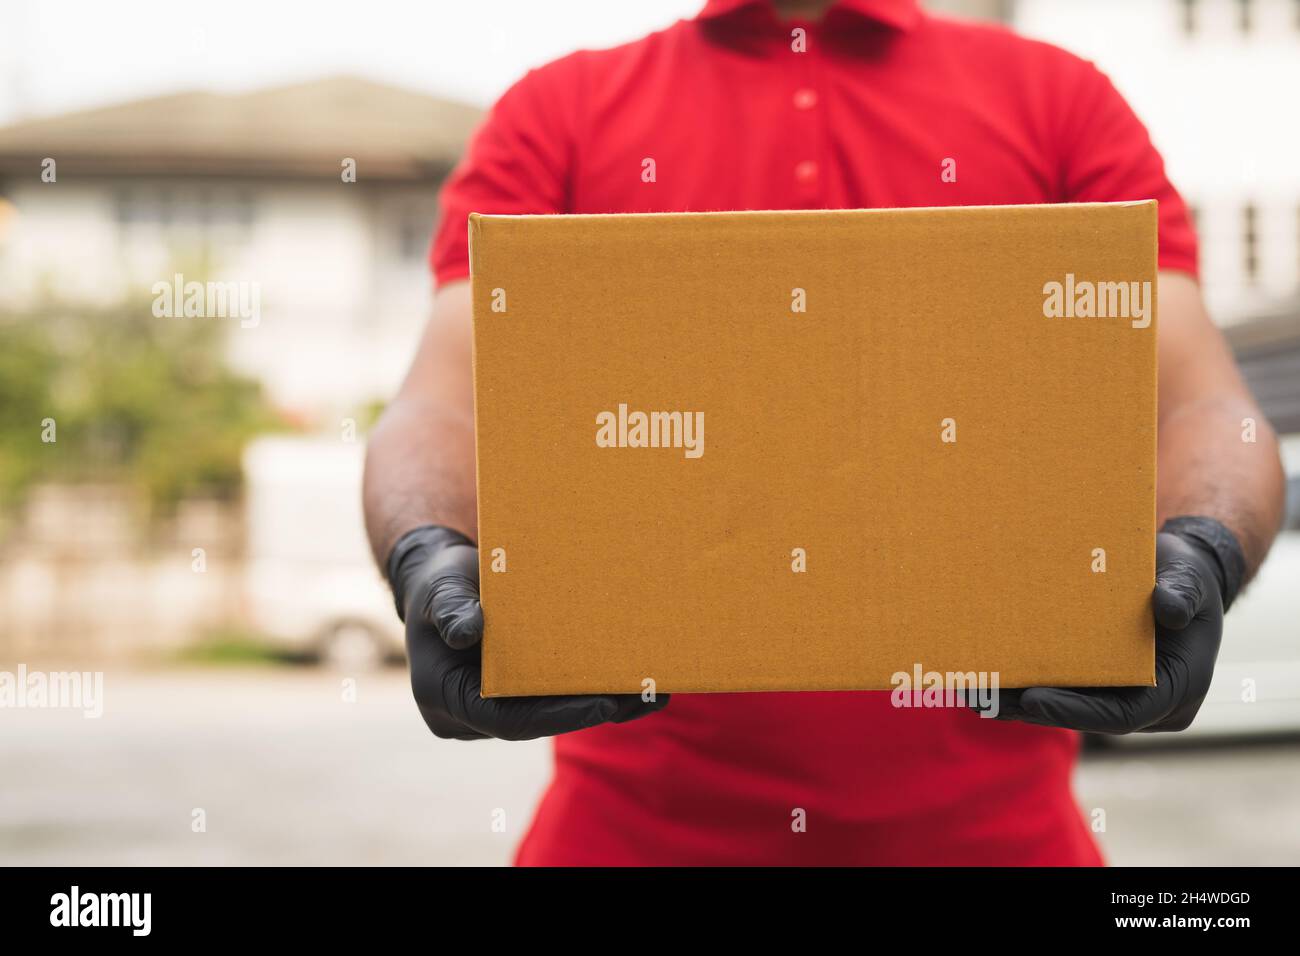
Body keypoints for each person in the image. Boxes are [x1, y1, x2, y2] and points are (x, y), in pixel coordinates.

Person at [363, 0, 1286, 865]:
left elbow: (1201, 405)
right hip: (628, 834)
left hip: (996, 840)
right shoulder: (559, 113)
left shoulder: (1059, 103)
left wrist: (1205, 549)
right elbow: (440, 404)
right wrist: (425, 554)